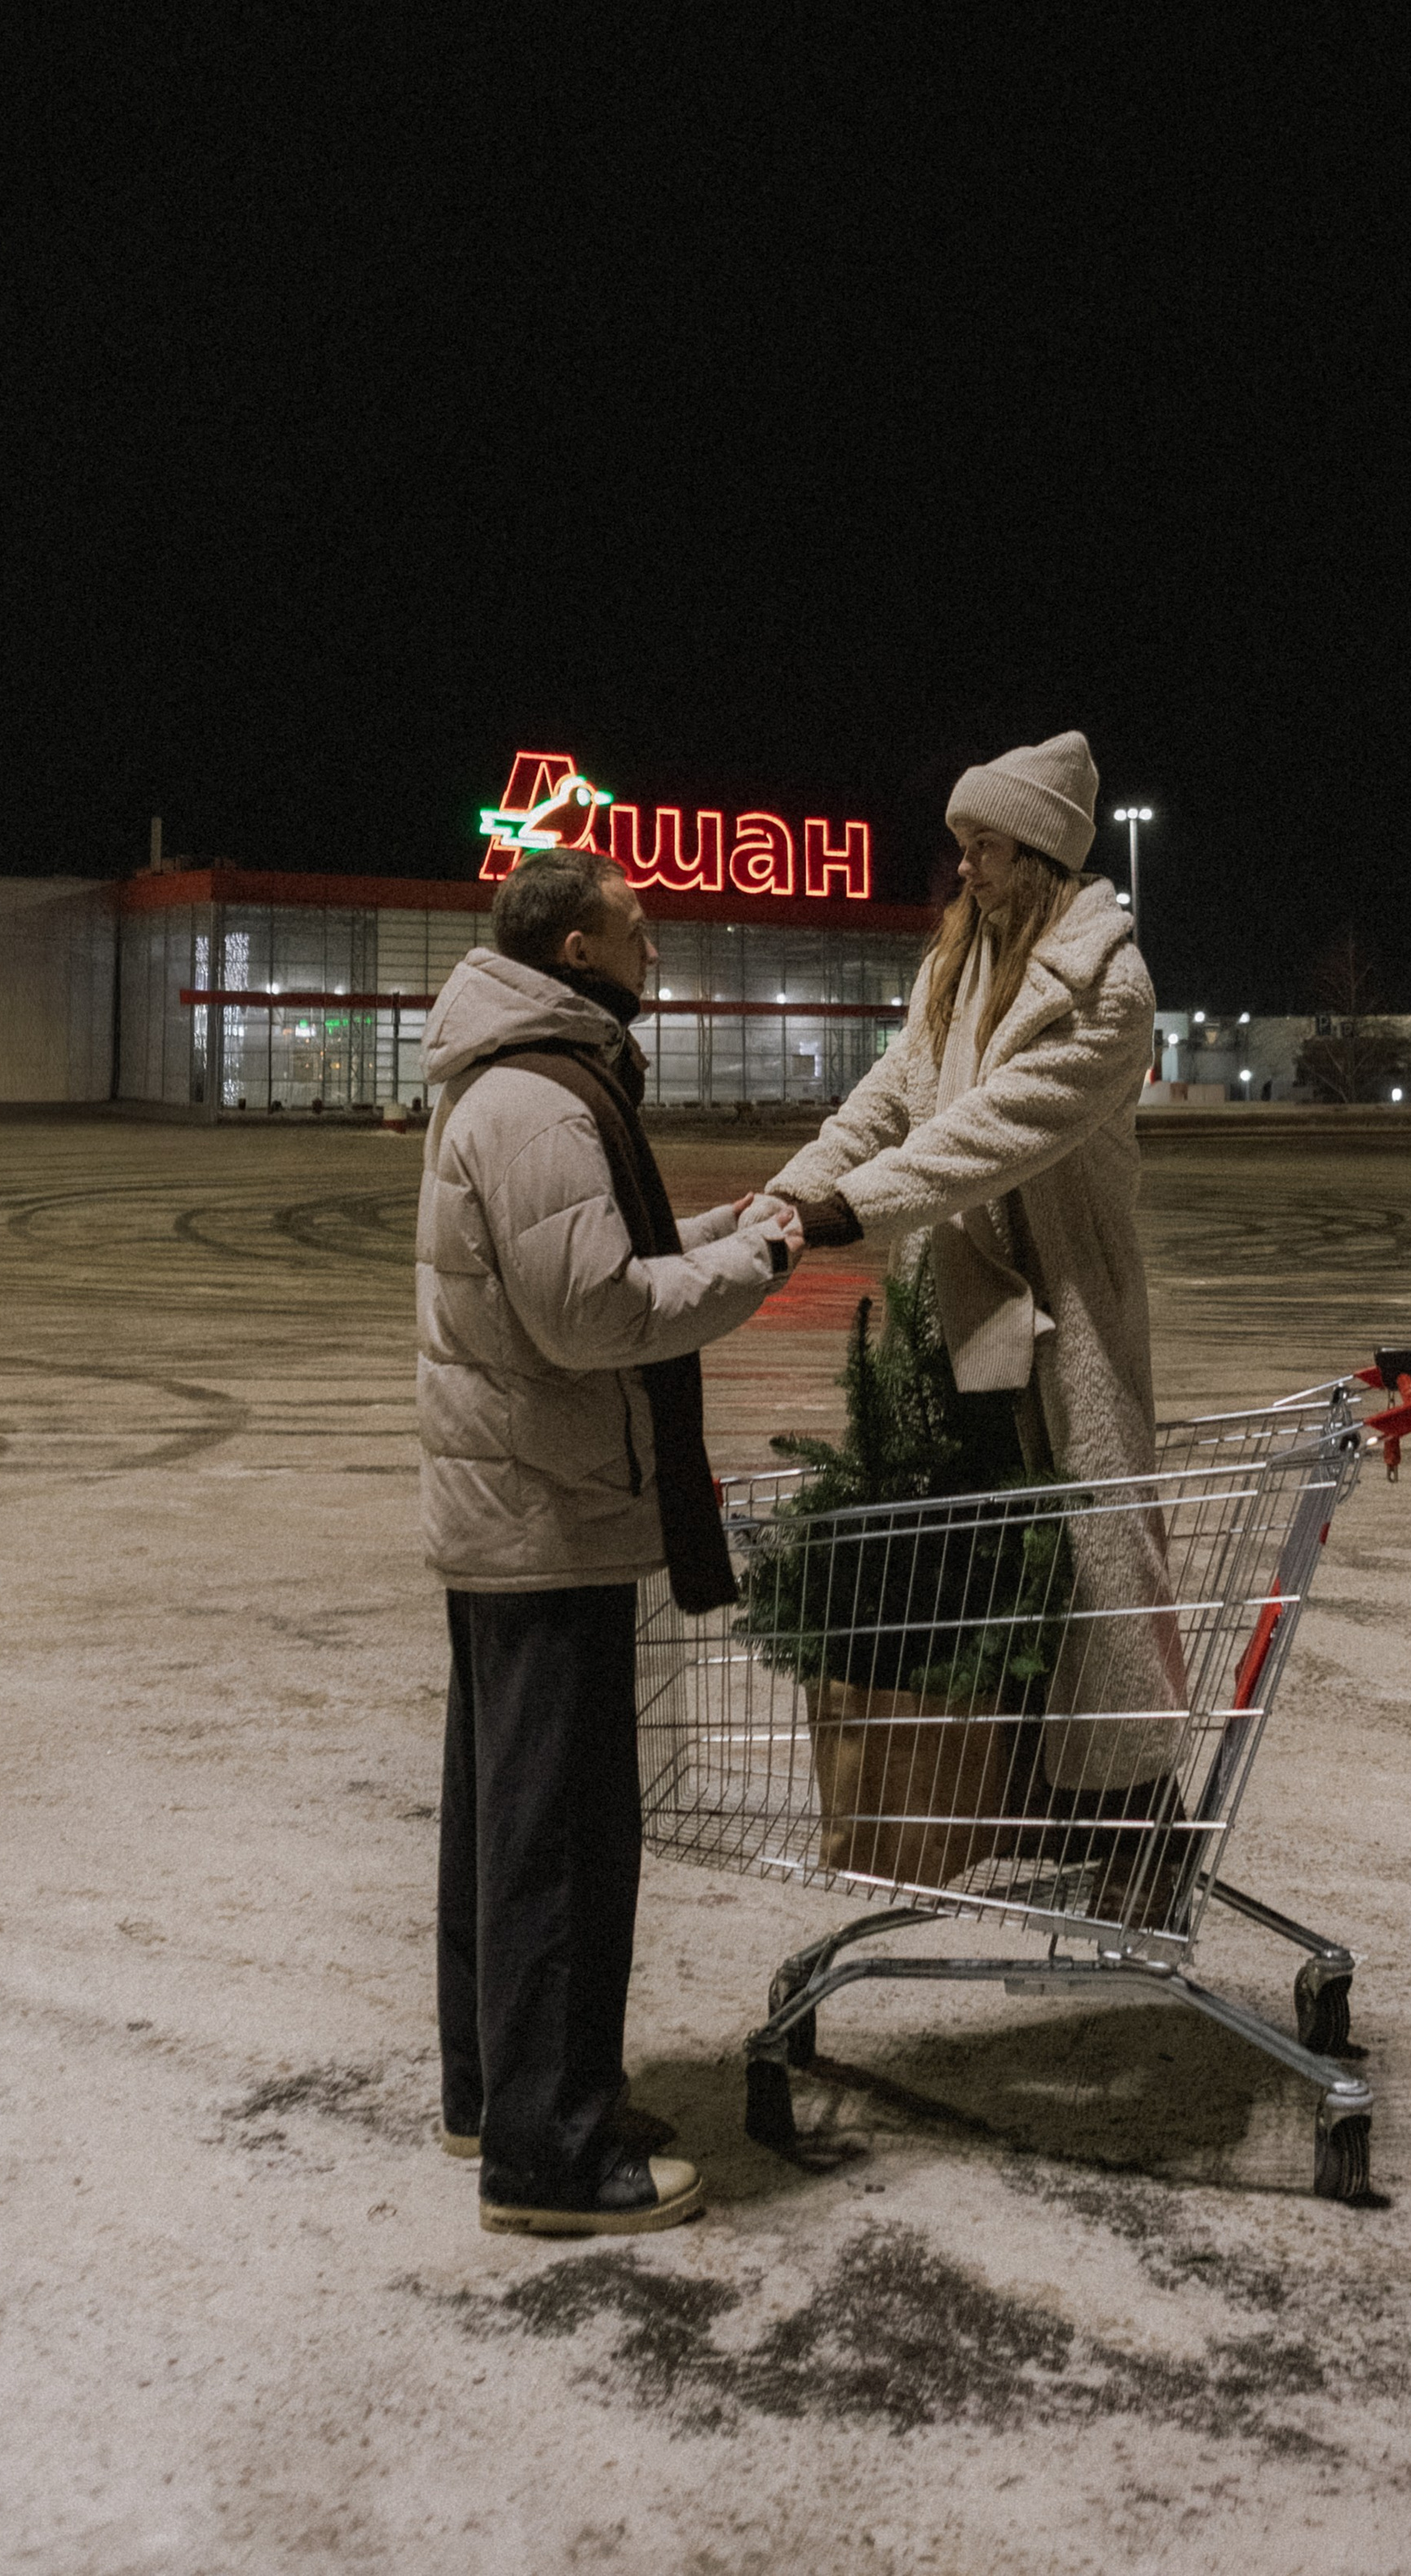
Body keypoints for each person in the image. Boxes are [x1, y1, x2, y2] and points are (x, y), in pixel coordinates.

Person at [417, 849, 803, 2236]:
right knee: (562, 1845)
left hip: (523, 1504)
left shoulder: (528, 1080)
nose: (657, 948)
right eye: (639, 928)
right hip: (548, 1511)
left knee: (510, 1830)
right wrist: (757, 1265)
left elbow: (593, 1253)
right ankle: (552, 2160)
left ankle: (499, 2101)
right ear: (576, 951)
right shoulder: (537, 1101)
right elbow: (594, 1315)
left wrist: (718, 1228)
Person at [762, 731, 1188, 1824]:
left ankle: (1129, 1811)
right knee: (977, 1565)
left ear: (1039, 855)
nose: (965, 866)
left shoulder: (1108, 989)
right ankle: (1008, 1799)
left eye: (985, 846)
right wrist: (793, 1189)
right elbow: (890, 1098)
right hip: (956, 1307)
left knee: (1090, 1557)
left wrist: (848, 1210)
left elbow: (992, 1133)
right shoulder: (959, 965)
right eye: (962, 844)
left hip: (1063, 1302)